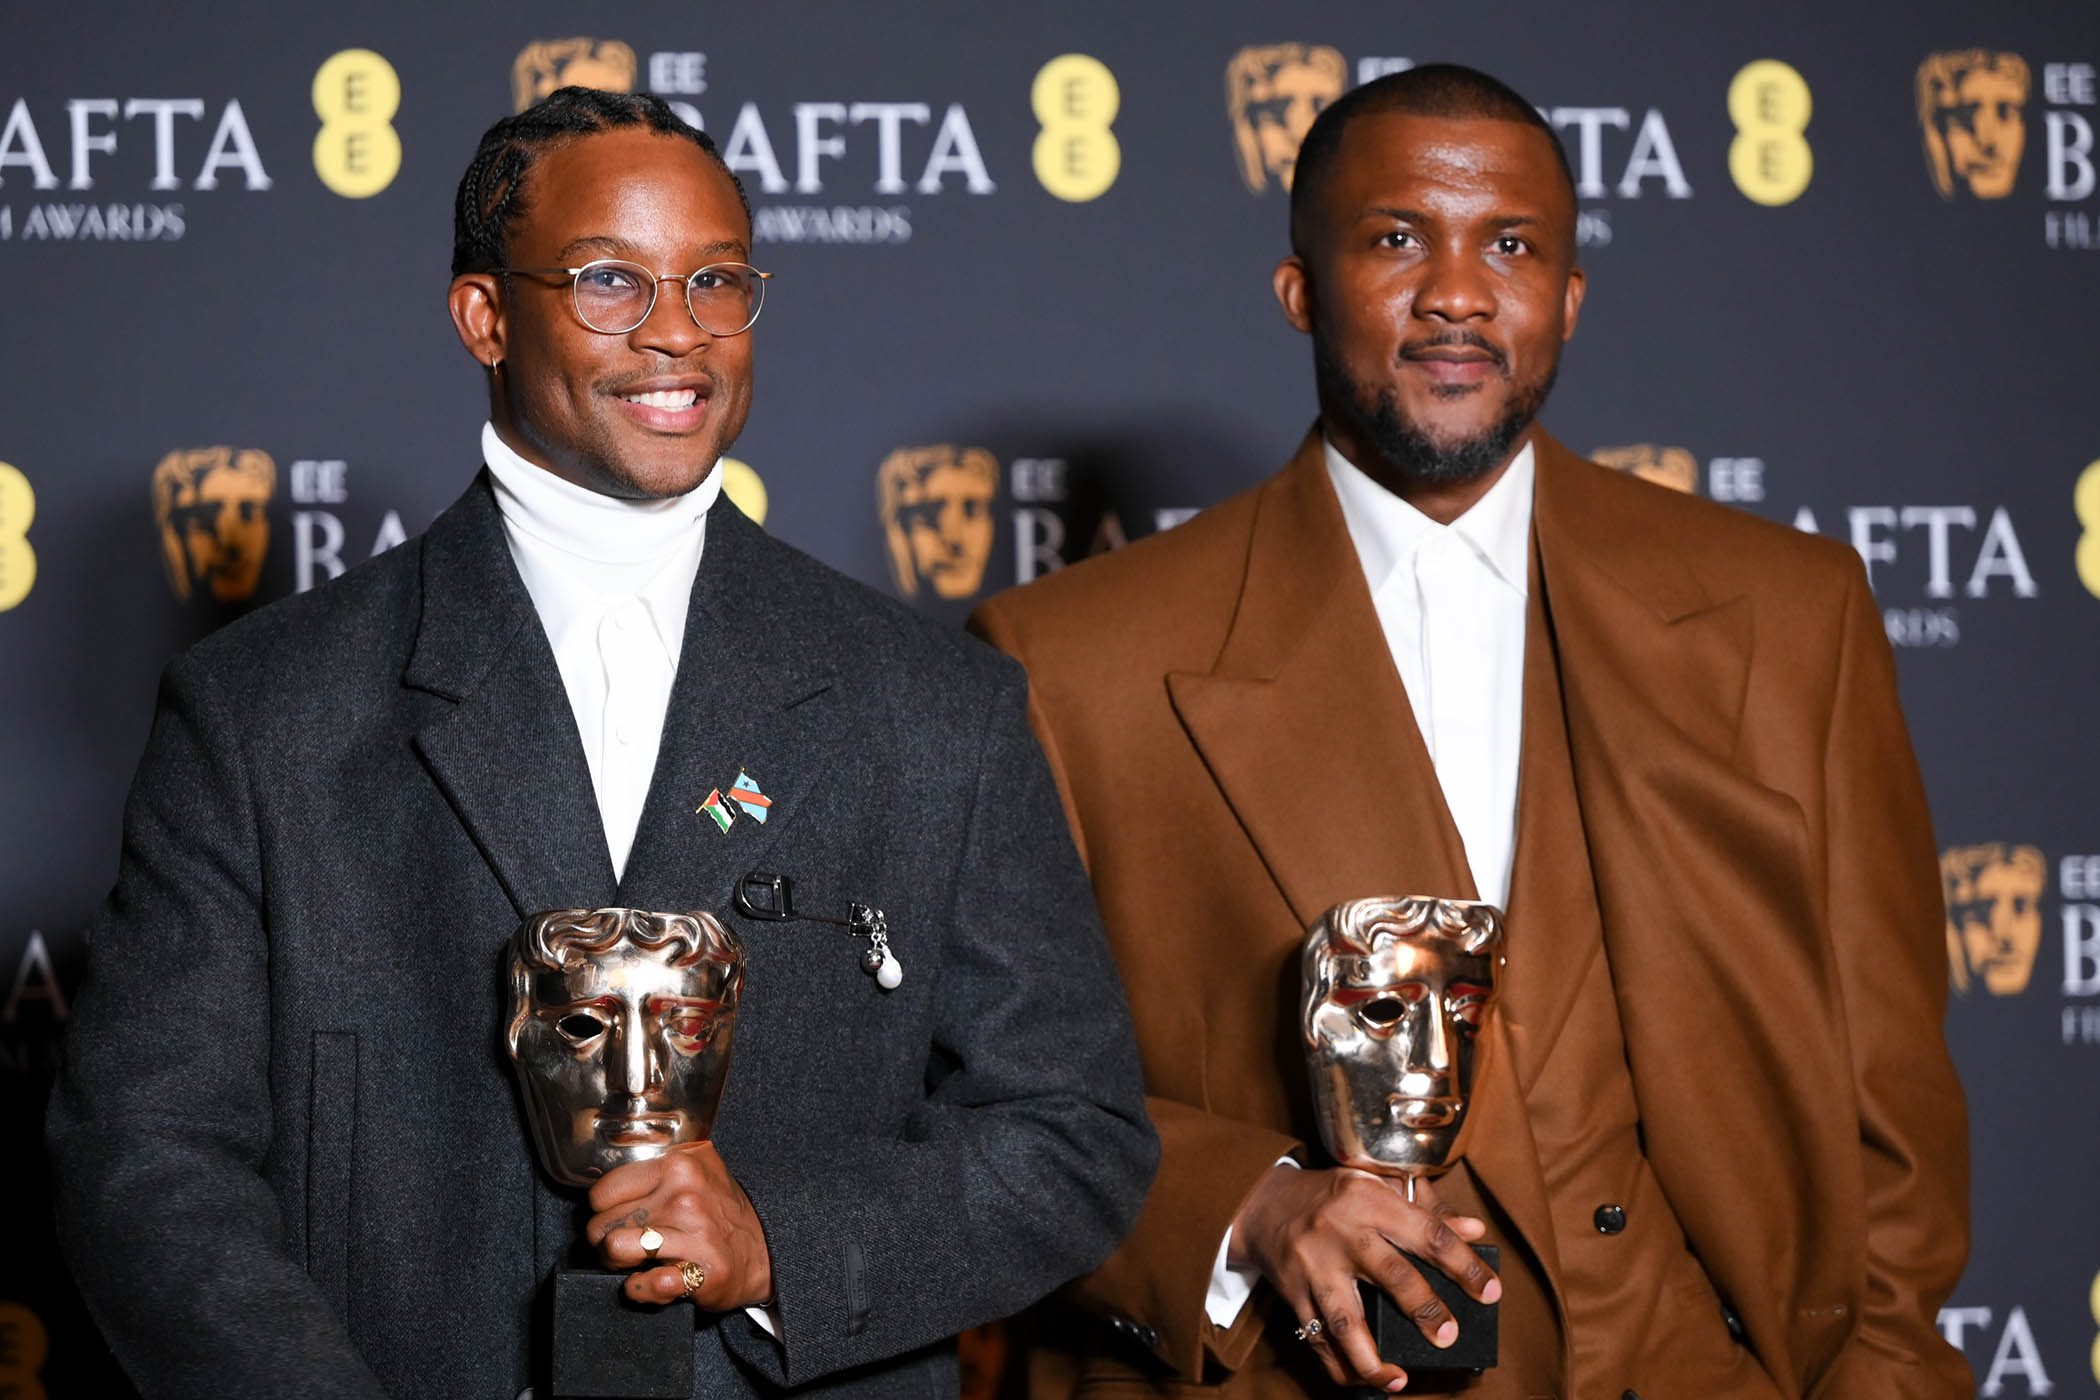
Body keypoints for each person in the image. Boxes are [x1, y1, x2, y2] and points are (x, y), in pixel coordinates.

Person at [49, 86, 1155, 1400]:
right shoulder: (264, 712)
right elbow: (148, 1158)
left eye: (716, 281)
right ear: (485, 316)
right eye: (610, 281)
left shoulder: (933, 708)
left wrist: (782, 1247)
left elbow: (1072, 1132)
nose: (678, 330)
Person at [971, 64, 1969, 1399]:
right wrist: (1251, 1206)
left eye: (1510, 246)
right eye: (1398, 239)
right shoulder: (1069, 662)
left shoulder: (1794, 614)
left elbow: (1892, 1104)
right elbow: (991, 1112)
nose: (1457, 293)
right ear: (1300, 291)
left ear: (1569, 297)